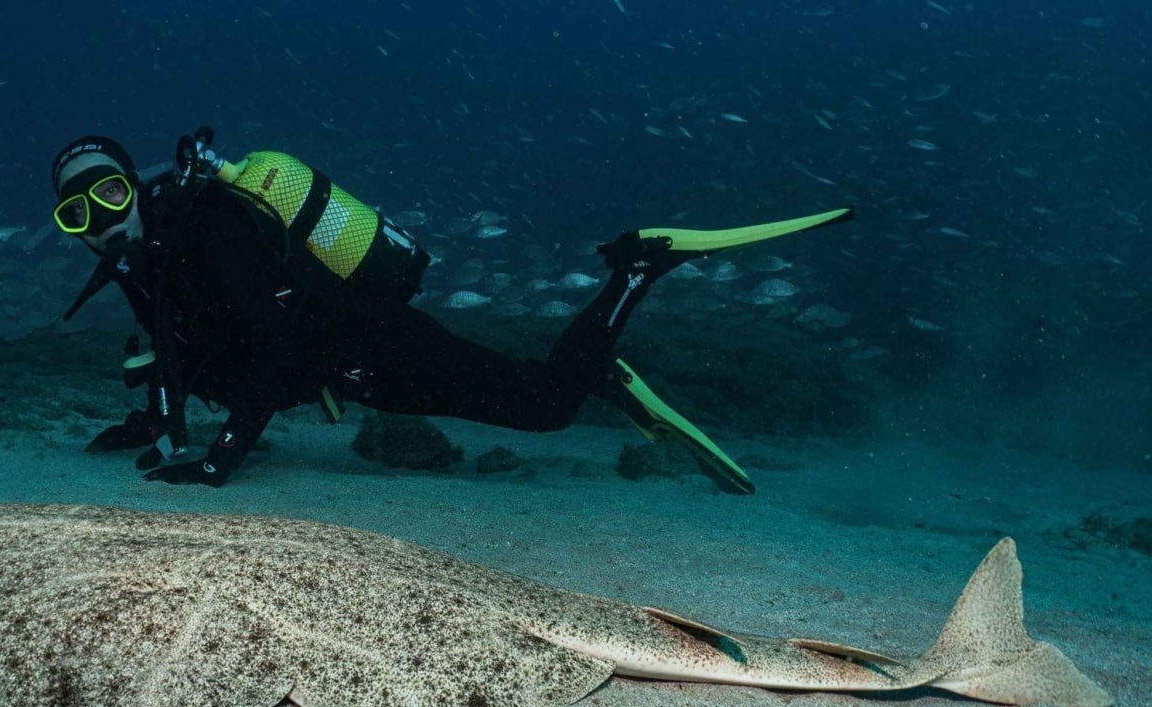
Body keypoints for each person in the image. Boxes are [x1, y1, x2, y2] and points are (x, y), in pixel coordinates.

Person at [50, 132, 850, 492]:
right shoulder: (143, 262)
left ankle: (639, 269)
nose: (104, 220)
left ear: (136, 185)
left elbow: (266, 346)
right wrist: (154, 421)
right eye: (79, 213)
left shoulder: (207, 228)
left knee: (542, 409)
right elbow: (172, 343)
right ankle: (598, 367)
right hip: (357, 372)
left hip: (371, 340)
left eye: (111, 193)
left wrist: (223, 457)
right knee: (537, 396)